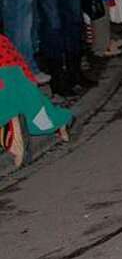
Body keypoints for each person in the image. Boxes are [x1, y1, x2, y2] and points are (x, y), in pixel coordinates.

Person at [0, 34, 71, 169]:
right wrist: (29, 78)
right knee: (37, 112)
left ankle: (12, 137)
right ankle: (60, 122)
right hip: (14, 67)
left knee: (7, 109)